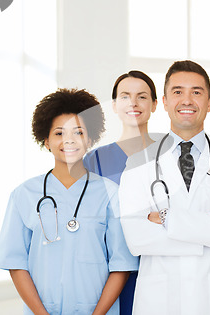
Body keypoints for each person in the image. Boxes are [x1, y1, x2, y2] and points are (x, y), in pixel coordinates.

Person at [118, 60, 210, 315]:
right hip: (159, 302)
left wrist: (167, 218)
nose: (187, 100)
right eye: (178, 92)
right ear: (166, 102)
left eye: (196, 92)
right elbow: (136, 239)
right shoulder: (138, 163)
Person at [0, 88, 139, 315]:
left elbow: (121, 265)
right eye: (59, 133)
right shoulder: (24, 194)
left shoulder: (111, 194)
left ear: (90, 139)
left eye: (78, 132)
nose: (68, 140)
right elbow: (16, 263)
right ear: (46, 140)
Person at [84, 71, 158, 315]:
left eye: (142, 97)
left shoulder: (170, 154)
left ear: (155, 105)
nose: (133, 103)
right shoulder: (94, 160)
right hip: (111, 274)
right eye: (125, 96)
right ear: (114, 105)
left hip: (160, 267)